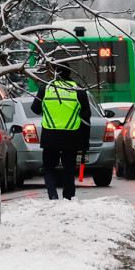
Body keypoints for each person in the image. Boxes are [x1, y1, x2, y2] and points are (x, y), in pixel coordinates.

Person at [30, 63, 91, 200]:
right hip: (71, 136)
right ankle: (68, 197)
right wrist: (85, 141)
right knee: (69, 169)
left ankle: (53, 196)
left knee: (49, 168)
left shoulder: (46, 88)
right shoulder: (78, 89)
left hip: (50, 136)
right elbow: (86, 117)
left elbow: (35, 108)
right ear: (70, 73)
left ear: (54, 73)